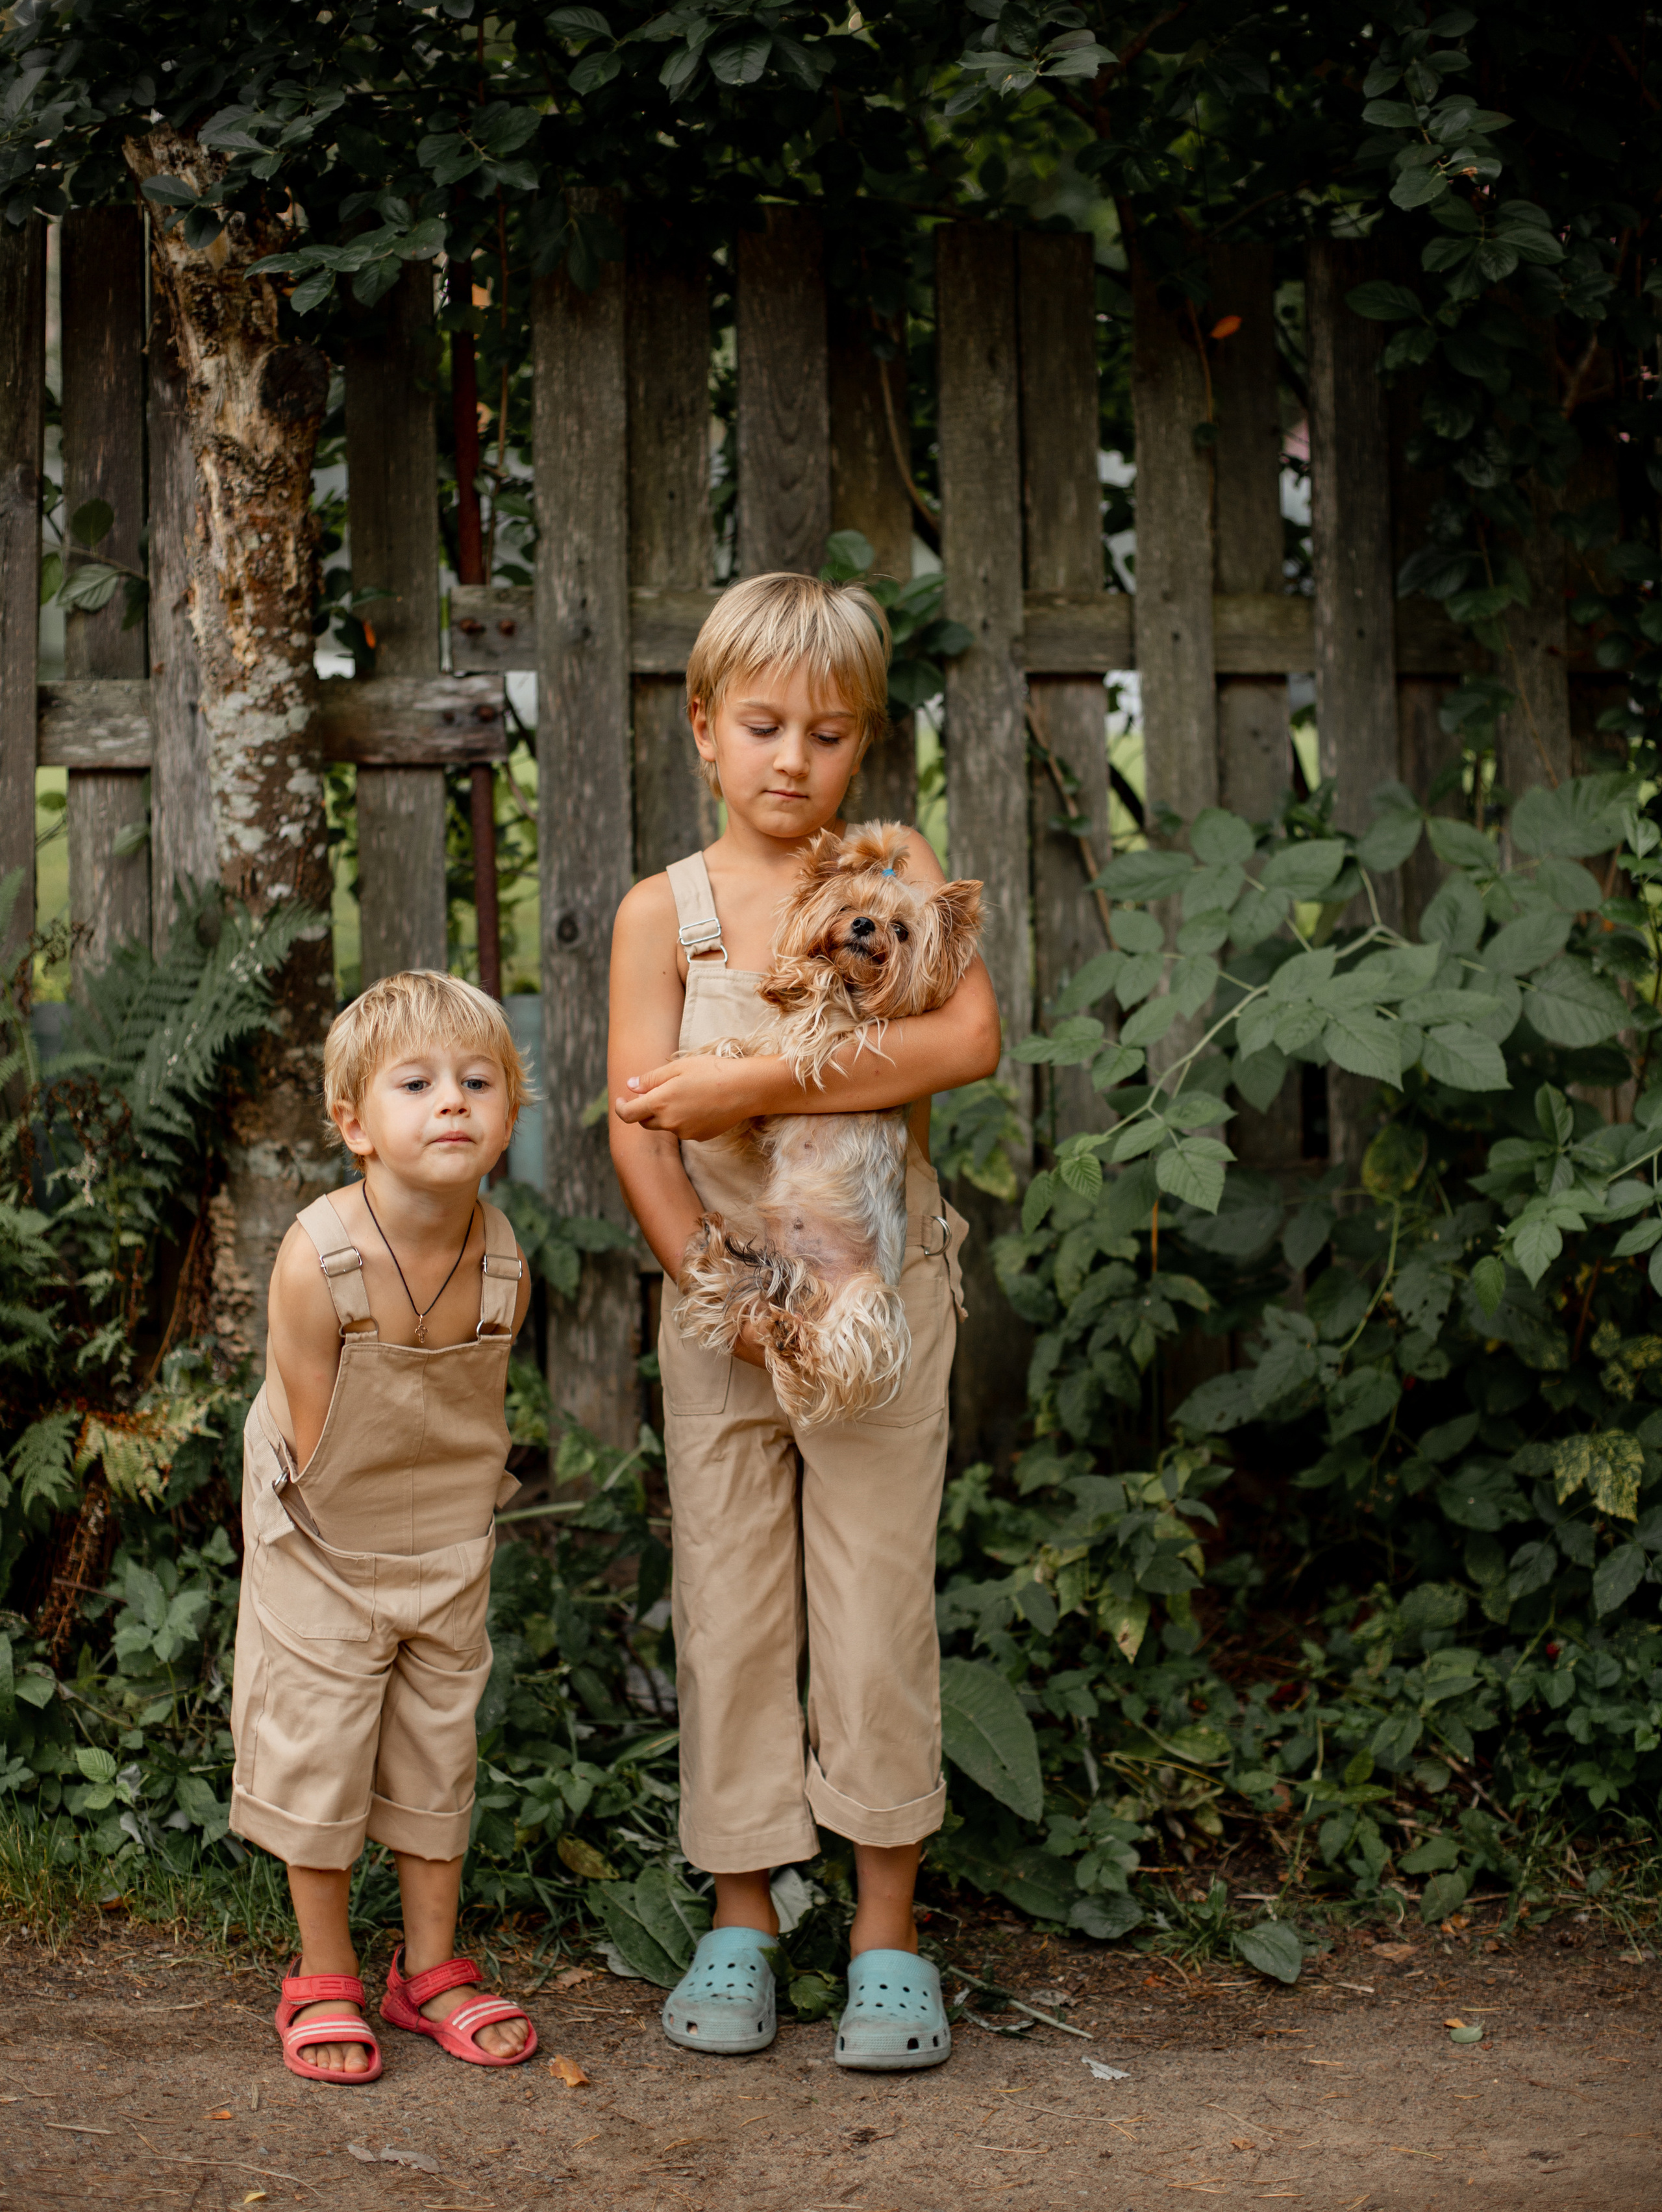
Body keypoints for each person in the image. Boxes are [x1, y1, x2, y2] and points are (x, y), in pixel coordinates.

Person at [608, 572, 1002, 2070]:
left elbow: (962, 1038)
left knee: (874, 1597)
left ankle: (884, 1927)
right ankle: (741, 1910)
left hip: (877, 1300)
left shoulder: (890, 866)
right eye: (762, 727)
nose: (793, 762)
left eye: (828, 734)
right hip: (724, 1304)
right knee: (728, 1603)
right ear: (704, 730)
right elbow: (640, 1124)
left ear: (864, 745)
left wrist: (756, 1085)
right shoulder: (667, 914)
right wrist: (715, 1280)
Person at [230, 970, 540, 2083]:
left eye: (476, 1081)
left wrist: (444, 1549)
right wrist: (346, 1570)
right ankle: (323, 1970)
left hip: (446, 1546)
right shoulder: (320, 1262)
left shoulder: (504, 1257)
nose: (450, 1101)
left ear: (512, 1111)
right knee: (321, 1751)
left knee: (433, 1751)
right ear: (356, 1124)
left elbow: (473, 1414)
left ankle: (429, 1967)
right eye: (415, 1084)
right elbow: (316, 1440)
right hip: (325, 1539)